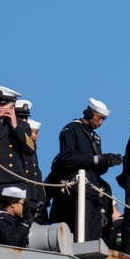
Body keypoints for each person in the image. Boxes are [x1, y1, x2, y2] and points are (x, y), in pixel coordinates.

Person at [46, 98, 121, 241]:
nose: (101, 122)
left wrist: (106, 162)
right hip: (75, 186)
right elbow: (67, 159)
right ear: (88, 113)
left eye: (103, 119)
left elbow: (96, 168)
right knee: (79, 230)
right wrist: (98, 159)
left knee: (92, 234)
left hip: (92, 189)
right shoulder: (71, 129)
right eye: (99, 118)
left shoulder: (96, 137)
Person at [0, 86, 36, 220]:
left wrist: (15, 126)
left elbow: (31, 149)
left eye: (4, 104)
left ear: (13, 105)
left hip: (12, 180)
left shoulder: (23, 126)